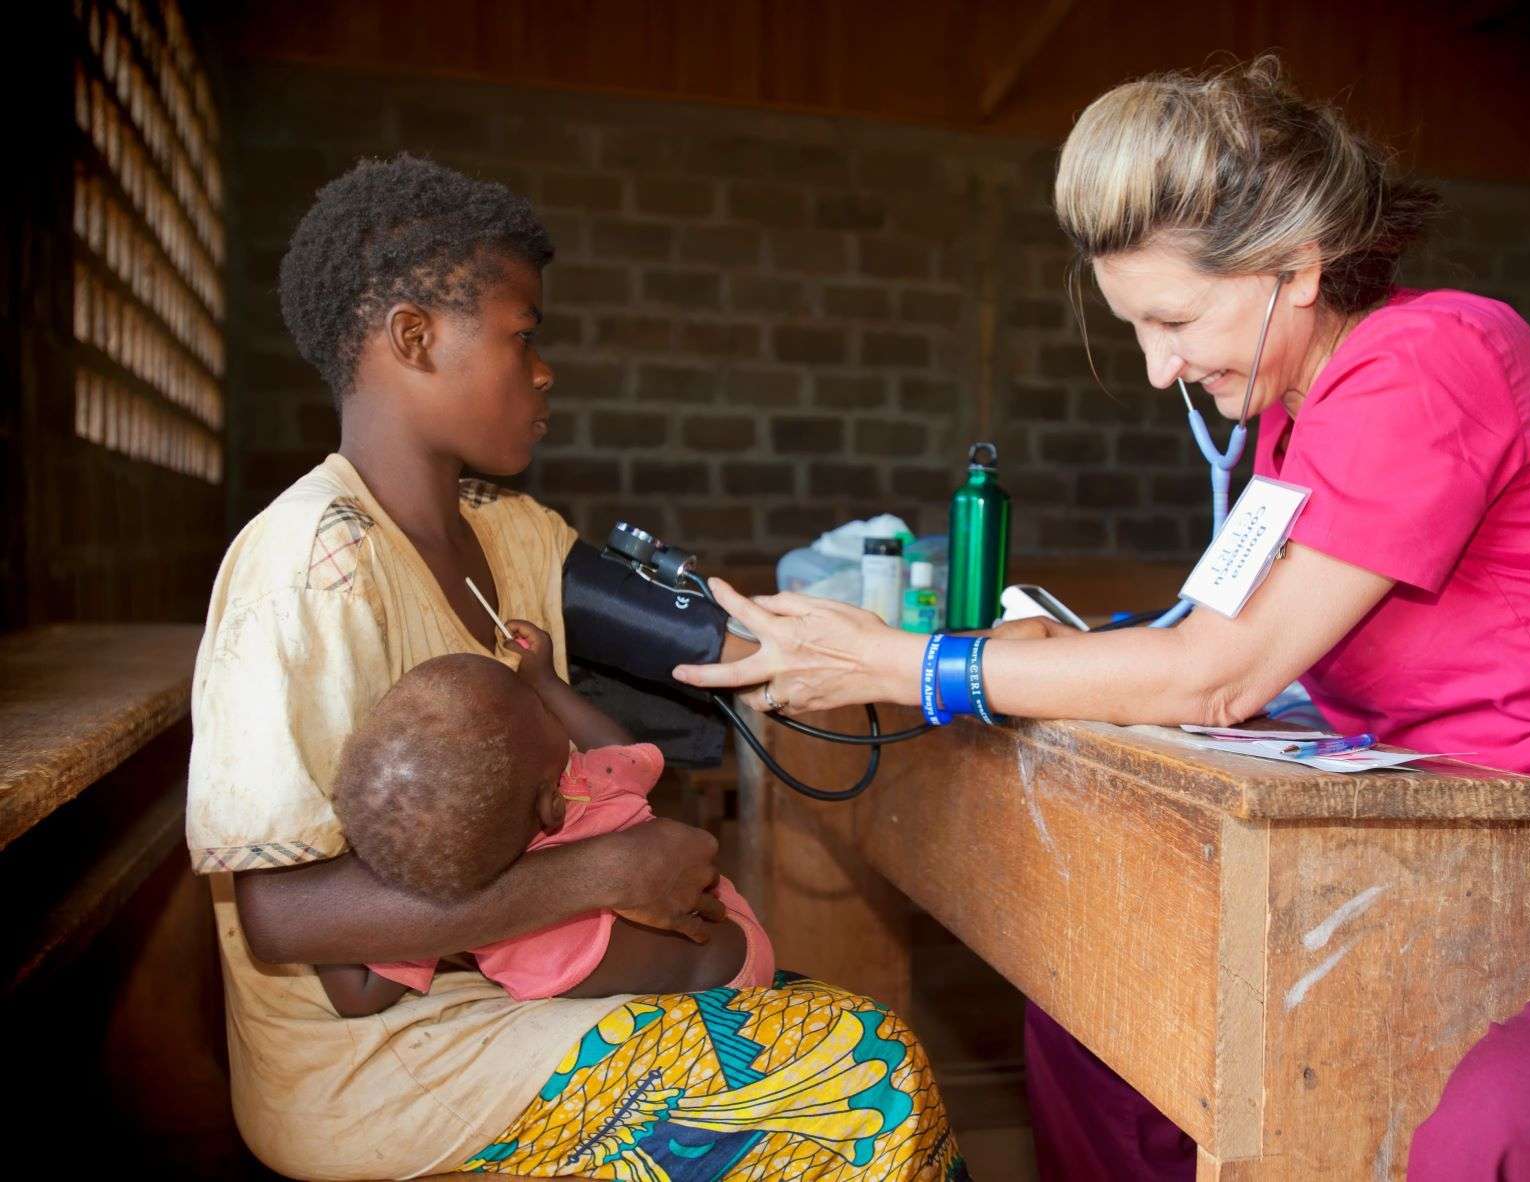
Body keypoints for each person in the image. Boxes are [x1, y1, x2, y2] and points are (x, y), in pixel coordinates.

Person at [673, 59, 1530, 1180]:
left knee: (1517, 1120)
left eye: (1176, 319)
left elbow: (1218, 674)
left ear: (1297, 268)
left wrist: (916, 665)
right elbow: (1206, 627)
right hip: (1466, 883)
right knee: (1103, 1023)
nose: (1160, 370)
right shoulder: (1296, 421)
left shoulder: (1433, 359)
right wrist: (1062, 648)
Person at [187, 154, 964, 1180]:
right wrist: (597, 871)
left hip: (521, 992)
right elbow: (284, 915)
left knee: (858, 1036)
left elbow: (719, 638)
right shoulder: (307, 568)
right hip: (384, 1066)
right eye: (523, 336)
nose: (543, 368)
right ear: (414, 338)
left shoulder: (505, 533)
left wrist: (960, 664)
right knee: (864, 1074)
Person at [317, 620, 771, 1017]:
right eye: (539, 712)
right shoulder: (584, 792)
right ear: (551, 806)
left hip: (695, 987)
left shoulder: (450, 908)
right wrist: (546, 682)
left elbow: (357, 997)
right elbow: (620, 746)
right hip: (732, 963)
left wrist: (344, 851)